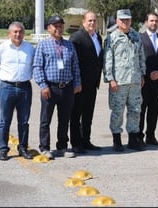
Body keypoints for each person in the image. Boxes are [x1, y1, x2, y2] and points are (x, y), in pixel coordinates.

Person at [33, 15, 82, 160]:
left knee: (64, 119)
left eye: (60, 26)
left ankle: (62, 147)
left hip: (67, 88)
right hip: (50, 88)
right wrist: (43, 85)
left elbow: (75, 66)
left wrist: (77, 83)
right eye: (55, 26)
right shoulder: (43, 45)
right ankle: (45, 147)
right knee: (45, 120)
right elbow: (37, 67)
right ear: (49, 28)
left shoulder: (69, 45)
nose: (58, 29)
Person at [0, 21, 35, 161]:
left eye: (20, 31)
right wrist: (6, 80)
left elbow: (34, 66)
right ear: (9, 33)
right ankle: (3, 149)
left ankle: (22, 148)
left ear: (24, 33)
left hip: (25, 88)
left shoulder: (30, 48)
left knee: (24, 121)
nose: (18, 34)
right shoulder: (1, 48)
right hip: (7, 87)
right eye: (15, 32)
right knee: (5, 120)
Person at [103, 9, 146, 152]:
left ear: (131, 20)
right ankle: (117, 140)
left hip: (134, 80)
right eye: (122, 20)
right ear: (117, 21)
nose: (125, 22)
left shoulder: (136, 36)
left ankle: (133, 139)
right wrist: (110, 79)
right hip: (119, 81)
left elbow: (141, 56)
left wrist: (142, 74)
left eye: (127, 19)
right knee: (117, 111)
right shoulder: (112, 38)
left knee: (135, 110)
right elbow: (108, 59)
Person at [69, 11, 103, 153]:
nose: (92, 23)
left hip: (92, 83)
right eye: (89, 21)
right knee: (76, 114)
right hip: (80, 83)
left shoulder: (98, 38)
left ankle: (86, 140)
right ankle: (76, 143)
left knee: (88, 114)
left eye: (94, 21)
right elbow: (73, 62)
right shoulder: (77, 38)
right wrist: (76, 82)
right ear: (83, 22)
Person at [139, 12, 158, 146]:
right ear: (146, 22)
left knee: (153, 109)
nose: (154, 23)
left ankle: (150, 136)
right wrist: (146, 73)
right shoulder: (139, 38)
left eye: (156, 21)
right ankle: (138, 137)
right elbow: (138, 58)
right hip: (144, 80)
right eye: (151, 21)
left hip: (157, 80)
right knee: (141, 109)